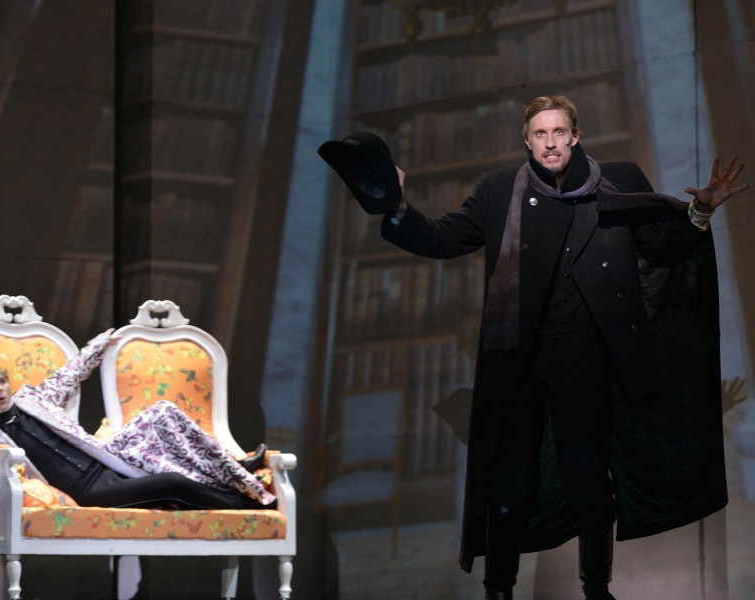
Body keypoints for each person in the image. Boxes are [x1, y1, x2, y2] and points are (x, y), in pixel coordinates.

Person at [319, 95, 748, 599]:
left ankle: (596, 589)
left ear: (575, 136)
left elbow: (662, 243)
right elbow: (444, 239)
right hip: (520, 360)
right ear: (527, 142)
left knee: (590, 479)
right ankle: (499, 590)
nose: (550, 143)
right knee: (510, 481)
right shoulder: (500, 190)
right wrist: (396, 206)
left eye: (558, 132)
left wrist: (699, 210)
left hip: (591, 360)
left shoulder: (619, 180)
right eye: (540, 134)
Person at [0, 329, 275, 510]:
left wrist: (99, 344)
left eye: (1, 381)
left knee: (161, 412)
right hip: (88, 488)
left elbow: (69, 374)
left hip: (108, 458)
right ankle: (246, 502)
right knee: (172, 482)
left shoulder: (34, 399)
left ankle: (234, 468)